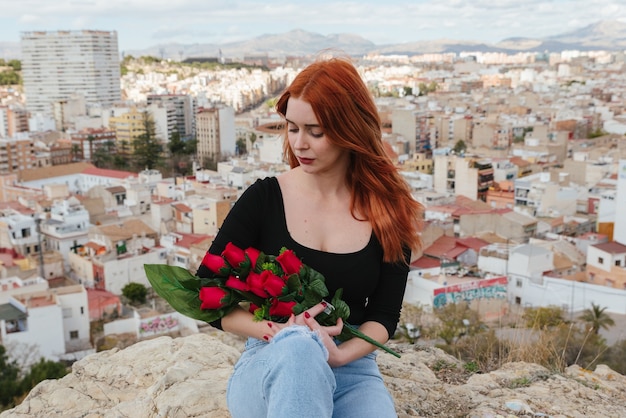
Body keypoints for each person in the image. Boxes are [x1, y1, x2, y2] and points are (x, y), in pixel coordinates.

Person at [196, 55, 423, 418]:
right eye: (292, 128)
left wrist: (341, 354)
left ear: (351, 130)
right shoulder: (265, 198)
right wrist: (281, 332)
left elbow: (384, 315)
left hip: (352, 371)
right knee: (300, 348)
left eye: (315, 131)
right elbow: (205, 292)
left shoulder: (388, 209)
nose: (300, 144)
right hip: (273, 360)